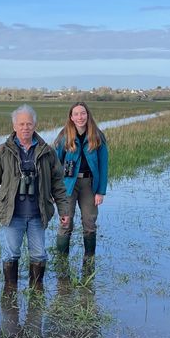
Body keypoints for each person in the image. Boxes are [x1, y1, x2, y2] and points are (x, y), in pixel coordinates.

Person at [0, 105, 71, 291]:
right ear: (14, 126)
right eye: (21, 124)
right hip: (12, 214)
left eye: (29, 124)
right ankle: (10, 291)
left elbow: (58, 185)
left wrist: (64, 210)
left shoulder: (47, 151)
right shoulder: (3, 151)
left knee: (39, 255)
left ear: (35, 125)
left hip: (38, 214)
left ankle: (36, 291)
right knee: (11, 254)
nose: (25, 128)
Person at [53, 101, 108, 260]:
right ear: (71, 117)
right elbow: (55, 165)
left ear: (88, 115)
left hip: (89, 185)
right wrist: (54, 190)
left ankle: (89, 259)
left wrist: (100, 191)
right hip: (68, 185)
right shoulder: (64, 136)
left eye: (82, 113)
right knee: (65, 222)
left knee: (90, 223)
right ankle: (62, 262)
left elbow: (103, 166)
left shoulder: (97, 136)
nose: (80, 117)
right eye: (76, 114)